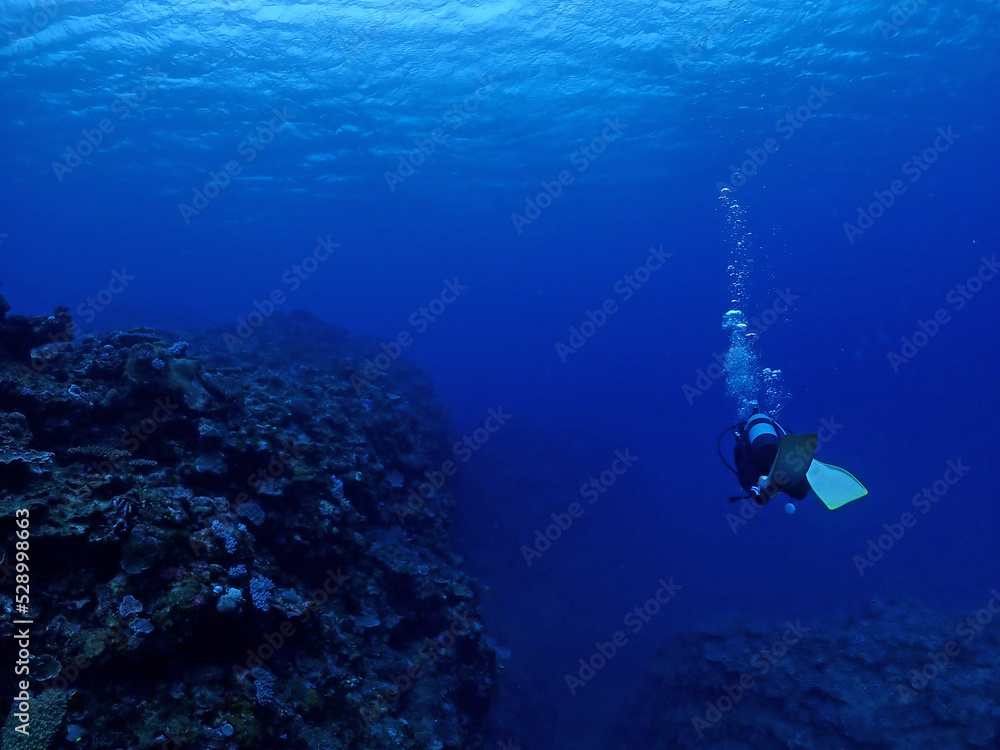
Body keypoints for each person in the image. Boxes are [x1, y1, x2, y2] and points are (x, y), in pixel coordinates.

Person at [718, 407, 867, 510]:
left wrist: (750, 486)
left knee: (751, 472)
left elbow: (742, 467)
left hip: (760, 467)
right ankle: (799, 477)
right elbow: (788, 440)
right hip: (780, 455)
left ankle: (759, 485)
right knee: (798, 492)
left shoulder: (743, 439)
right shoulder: (774, 428)